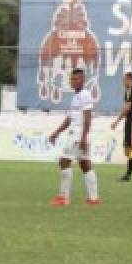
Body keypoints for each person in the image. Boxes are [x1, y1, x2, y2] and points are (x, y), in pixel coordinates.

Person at [46, 68, 101, 206]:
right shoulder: (76, 97)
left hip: (78, 135)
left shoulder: (85, 95)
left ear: (83, 80)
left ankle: (63, 198)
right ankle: (93, 199)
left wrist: (83, 137)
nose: (73, 81)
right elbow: (70, 119)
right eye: (72, 79)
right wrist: (56, 132)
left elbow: (88, 118)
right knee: (85, 164)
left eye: (77, 79)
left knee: (64, 161)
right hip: (79, 135)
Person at [111, 72, 132, 182]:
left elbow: (127, 108)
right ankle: (128, 175)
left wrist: (116, 121)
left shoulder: (131, 90)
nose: (123, 82)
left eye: (124, 80)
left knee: (128, 151)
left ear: (129, 80)